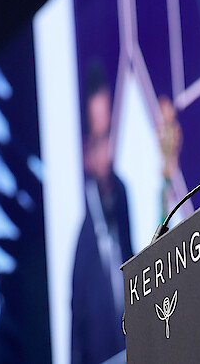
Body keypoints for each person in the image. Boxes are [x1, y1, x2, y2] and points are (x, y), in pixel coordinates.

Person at [71, 66, 133, 364]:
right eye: (98, 141)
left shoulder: (123, 199)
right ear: (85, 151)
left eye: (109, 135)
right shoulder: (82, 248)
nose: (107, 155)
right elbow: (77, 338)